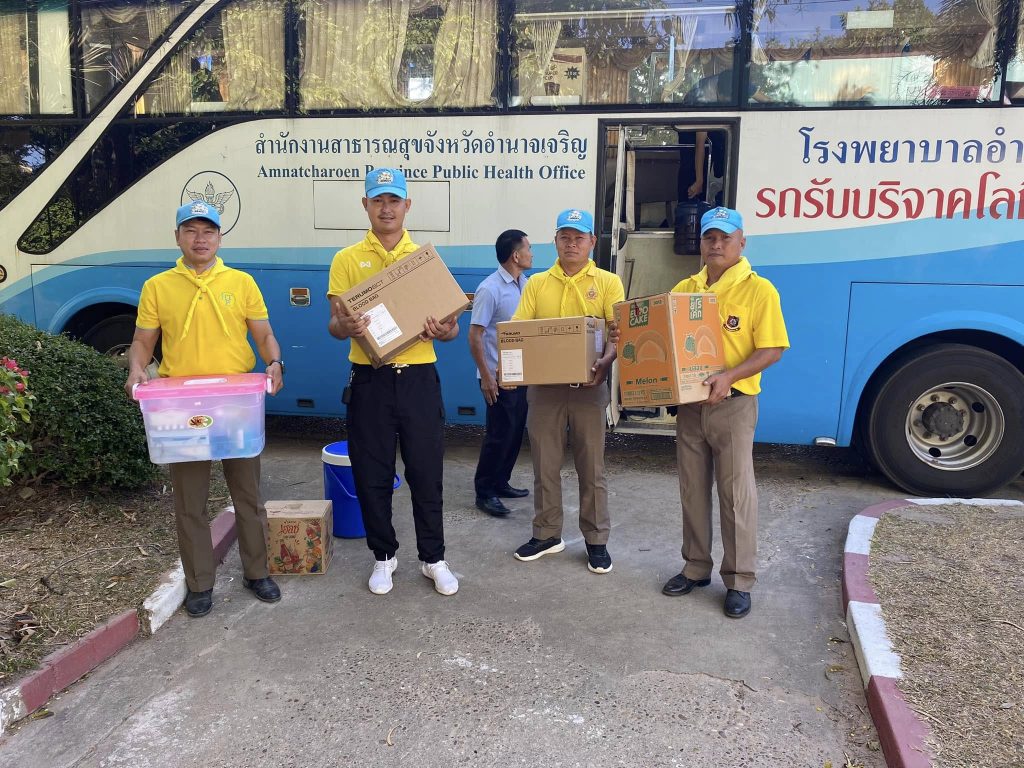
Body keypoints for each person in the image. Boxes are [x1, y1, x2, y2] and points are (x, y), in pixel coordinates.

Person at [125, 200, 285, 618]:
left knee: (248, 494)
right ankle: (199, 583)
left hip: (235, 403)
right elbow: (143, 341)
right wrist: (137, 368)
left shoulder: (241, 282)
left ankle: (257, 572)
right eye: (191, 230)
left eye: (208, 231)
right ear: (177, 237)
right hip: (182, 407)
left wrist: (274, 362)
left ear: (219, 237)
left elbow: (263, 334)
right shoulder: (158, 286)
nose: (200, 239)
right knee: (190, 501)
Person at [326, 168, 461, 597]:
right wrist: (346, 326)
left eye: (394, 200)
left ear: (407, 206)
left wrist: (445, 330)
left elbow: (452, 327)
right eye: (378, 200)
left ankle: (434, 558)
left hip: (419, 379)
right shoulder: (347, 259)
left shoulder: (423, 259)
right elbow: (334, 325)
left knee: (426, 472)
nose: (386, 208)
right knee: (373, 473)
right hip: (371, 380)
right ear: (365, 205)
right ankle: (383, 557)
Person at [661, 206, 789, 618]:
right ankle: (696, 567)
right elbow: (666, 340)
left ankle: (738, 580)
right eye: (709, 237)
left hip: (733, 406)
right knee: (692, 489)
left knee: (736, 495)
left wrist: (729, 376)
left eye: (724, 238)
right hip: (691, 407)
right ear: (701, 243)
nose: (716, 245)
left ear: (741, 243)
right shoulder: (686, 288)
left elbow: (772, 349)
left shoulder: (759, 290)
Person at [510, 209, 624, 574]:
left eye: (578, 237)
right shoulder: (537, 283)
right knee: (544, 464)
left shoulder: (608, 282)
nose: (571, 243)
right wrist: (509, 367)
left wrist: (606, 361)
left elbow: (617, 333)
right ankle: (547, 533)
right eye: (565, 237)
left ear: (592, 242)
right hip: (545, 390)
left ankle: (596, 540)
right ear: (555, 241)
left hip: (590, 386)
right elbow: (518, 330)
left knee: (591, 467)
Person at [469, 229, 534, 518]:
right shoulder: (490, 289)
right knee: (498, 434)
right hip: (497, 376)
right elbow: (475, 335)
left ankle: (501, 482)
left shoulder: (527, 284)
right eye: (528, 249)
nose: (532, 254)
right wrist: (486, 377)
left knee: (515, 431)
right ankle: (484, 492)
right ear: (516, 255)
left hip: (521, 374)